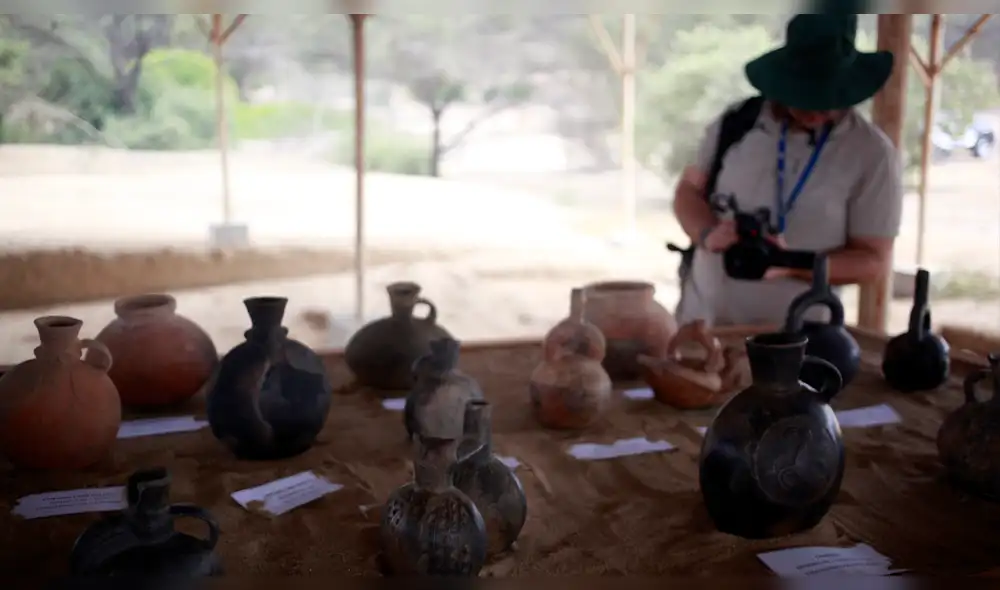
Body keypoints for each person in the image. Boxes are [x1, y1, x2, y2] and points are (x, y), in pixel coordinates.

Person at [672, 13, 903, 327]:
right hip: (703, 327)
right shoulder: (737, 122)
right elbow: (688, 192)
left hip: (800, 342)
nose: (817, 110)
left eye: (829, 98)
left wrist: (792, 264)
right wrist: (709, 233)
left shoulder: (871, 153)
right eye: (806, 96)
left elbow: (873, 262)